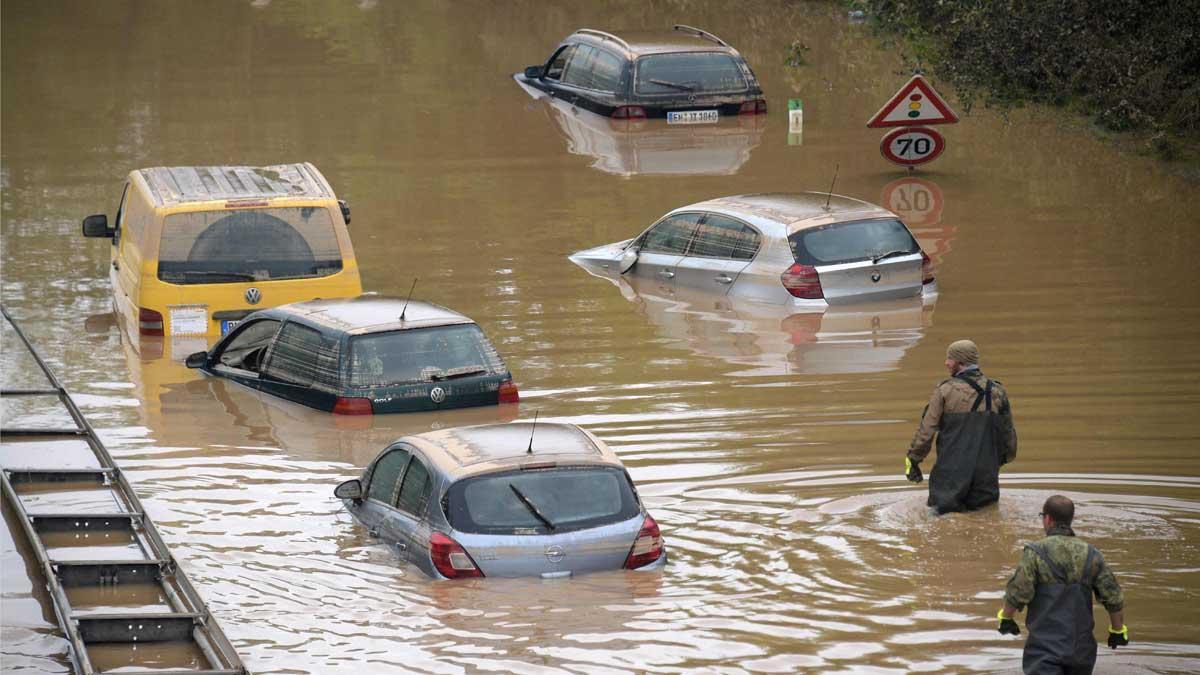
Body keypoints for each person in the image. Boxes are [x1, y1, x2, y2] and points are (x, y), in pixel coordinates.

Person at [997, 495, 1128, 674]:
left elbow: (1017, 592)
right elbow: (1114, 598)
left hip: (1044, 650)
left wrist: (1006, 618)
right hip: (1082, 652)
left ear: (1048, 519)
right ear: (1070, 519)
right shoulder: (1092, 554)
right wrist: (1117, 630)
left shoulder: (1035, 553)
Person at [904, 339, 1017, 513]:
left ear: (960, 362)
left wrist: (913, 460)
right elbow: (1008, 437)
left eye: (950, 359)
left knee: (942, 524)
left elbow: (926, 432)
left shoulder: (944, 391)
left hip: (949, 478)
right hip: (985, 477)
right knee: (984, 519)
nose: (946, 363)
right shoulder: (997, 391)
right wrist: (999, 462)